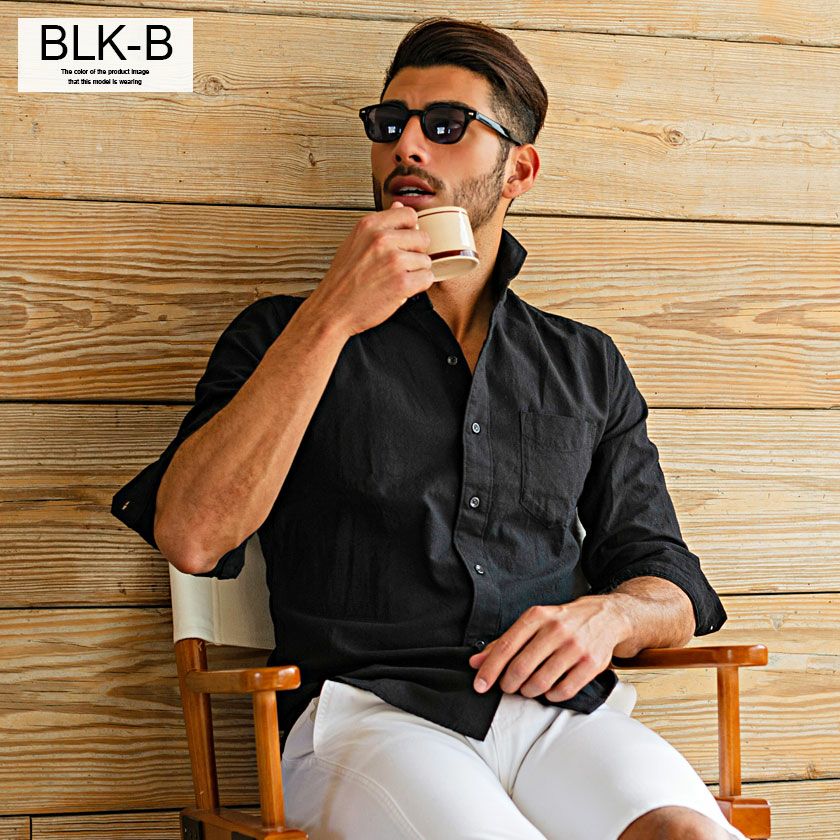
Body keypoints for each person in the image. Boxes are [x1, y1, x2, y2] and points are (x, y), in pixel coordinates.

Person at [111, 16, 748, 840]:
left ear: (519, 169)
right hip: (365, 716)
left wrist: (613, 618)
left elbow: (667, 576)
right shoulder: (282, 335)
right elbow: (193, 536)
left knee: (690, 834)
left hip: (556, 715)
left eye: (446, 126)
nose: (406, 146)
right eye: (389, 124)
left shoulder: (584, 363)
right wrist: (332, 316)